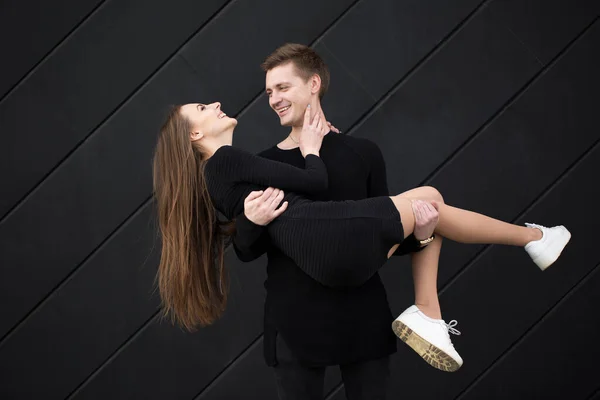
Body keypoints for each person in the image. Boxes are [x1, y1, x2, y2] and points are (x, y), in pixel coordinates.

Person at [152, 92, 571, 376]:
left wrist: (250, 222)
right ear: (196, 135)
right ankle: (532, 240)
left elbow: (250, 241)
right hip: (327, 237)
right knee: (430, 197)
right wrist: (313, 145)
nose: (217, 104)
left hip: (326, 263)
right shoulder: (223, 160)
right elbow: (315, 181)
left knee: (429, 214)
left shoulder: (216, 182)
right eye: (205, 108)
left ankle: (435, 310)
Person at [232, 44, 434, 400]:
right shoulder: (262, 164)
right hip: (294, 324)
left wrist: (421, 236)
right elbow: (246, 249)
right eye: (268, 92)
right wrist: (250, 219)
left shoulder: (363, 153)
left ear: (313, 84)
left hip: (363, 317)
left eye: (282, 88)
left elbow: (383, 235)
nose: (273, 99)